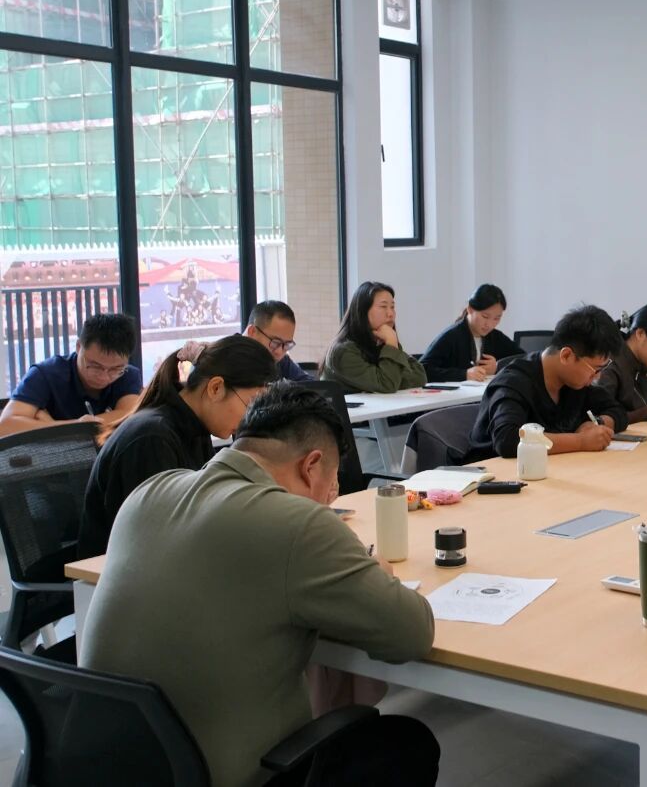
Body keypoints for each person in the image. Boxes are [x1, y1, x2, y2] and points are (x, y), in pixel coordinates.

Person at [80, 384, 438, 787]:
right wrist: (379, 573)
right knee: (408, 742)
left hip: (98, 767)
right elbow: (412, 635)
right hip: (221, 775)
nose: (329, 499)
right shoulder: (302, 524)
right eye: (332, 484)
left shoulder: (149, 492)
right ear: (311, 465)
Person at [78, 335, 277, 558]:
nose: (250, 419)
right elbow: (158, 536)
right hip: (117, 570)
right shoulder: (152, 438)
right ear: (215, 388)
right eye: (250, 406)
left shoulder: (194, 427)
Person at [466, 305, 628, 460]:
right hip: (492, 471)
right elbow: (508, 440)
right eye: (595, 369)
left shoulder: (574, 382)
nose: (597, 377)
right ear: (566, 356)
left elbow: (618, 411)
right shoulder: (514, 382)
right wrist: (580, 441)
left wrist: (596, 423)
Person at [0, 313, 142, 436]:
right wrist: (76, 425)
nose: (104, 377)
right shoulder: (46, 374)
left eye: (115, 369)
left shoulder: (128, 374)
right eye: (95, 366)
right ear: (79, 347)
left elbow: (130, 416)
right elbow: (6, 425)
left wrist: (58, 426)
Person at [321, 281, 427, 394]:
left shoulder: (380, 343)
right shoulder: (343, 351)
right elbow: (387, 385)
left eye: (392, 307)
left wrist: (392, 377)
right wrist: (392, 343)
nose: (390, 313)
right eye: (383, 306)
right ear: (362, 311)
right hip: (349, 407)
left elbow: (419, 377)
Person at [419, 284, 521, 382]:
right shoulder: (451, 336)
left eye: (496, 318)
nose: (489, 324)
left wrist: (498, 366)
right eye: (485, 316)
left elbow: (524, 359)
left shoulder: (495, 336)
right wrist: (464, 374)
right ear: (470, 309)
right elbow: (422, 370)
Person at [246, 299, 313, 382]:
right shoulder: (231, 359)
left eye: (287, 345)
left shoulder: (280, 361)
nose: (279, 352)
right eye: (275, 343)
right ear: (252, 332)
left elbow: (311, 385)